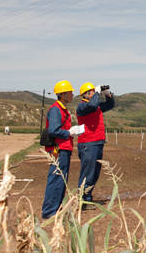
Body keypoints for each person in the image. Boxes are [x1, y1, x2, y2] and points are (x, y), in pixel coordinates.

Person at [41, 80, 84, 219]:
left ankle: (56, 208)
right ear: (63, 94)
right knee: (56, 179)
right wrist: (69, 132)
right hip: (58, 149)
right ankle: (50, 211)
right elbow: (54, 130)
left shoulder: (62, 109)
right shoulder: (56, 109)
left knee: (61, 179)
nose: (72, 95)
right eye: (70, 92)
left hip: (64, 148)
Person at [76, 82, 115, 207]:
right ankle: (82, 200)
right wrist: (97, 93)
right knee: (88, 173)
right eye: (92, 92)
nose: (94, 94)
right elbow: (92, 104)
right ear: (86, 94)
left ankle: (87, 198)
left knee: (94, 173)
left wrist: (108, 95)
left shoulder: (95, 106)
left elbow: (110, 105)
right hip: (88, 144)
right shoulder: (82, 106)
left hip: (97, 143)